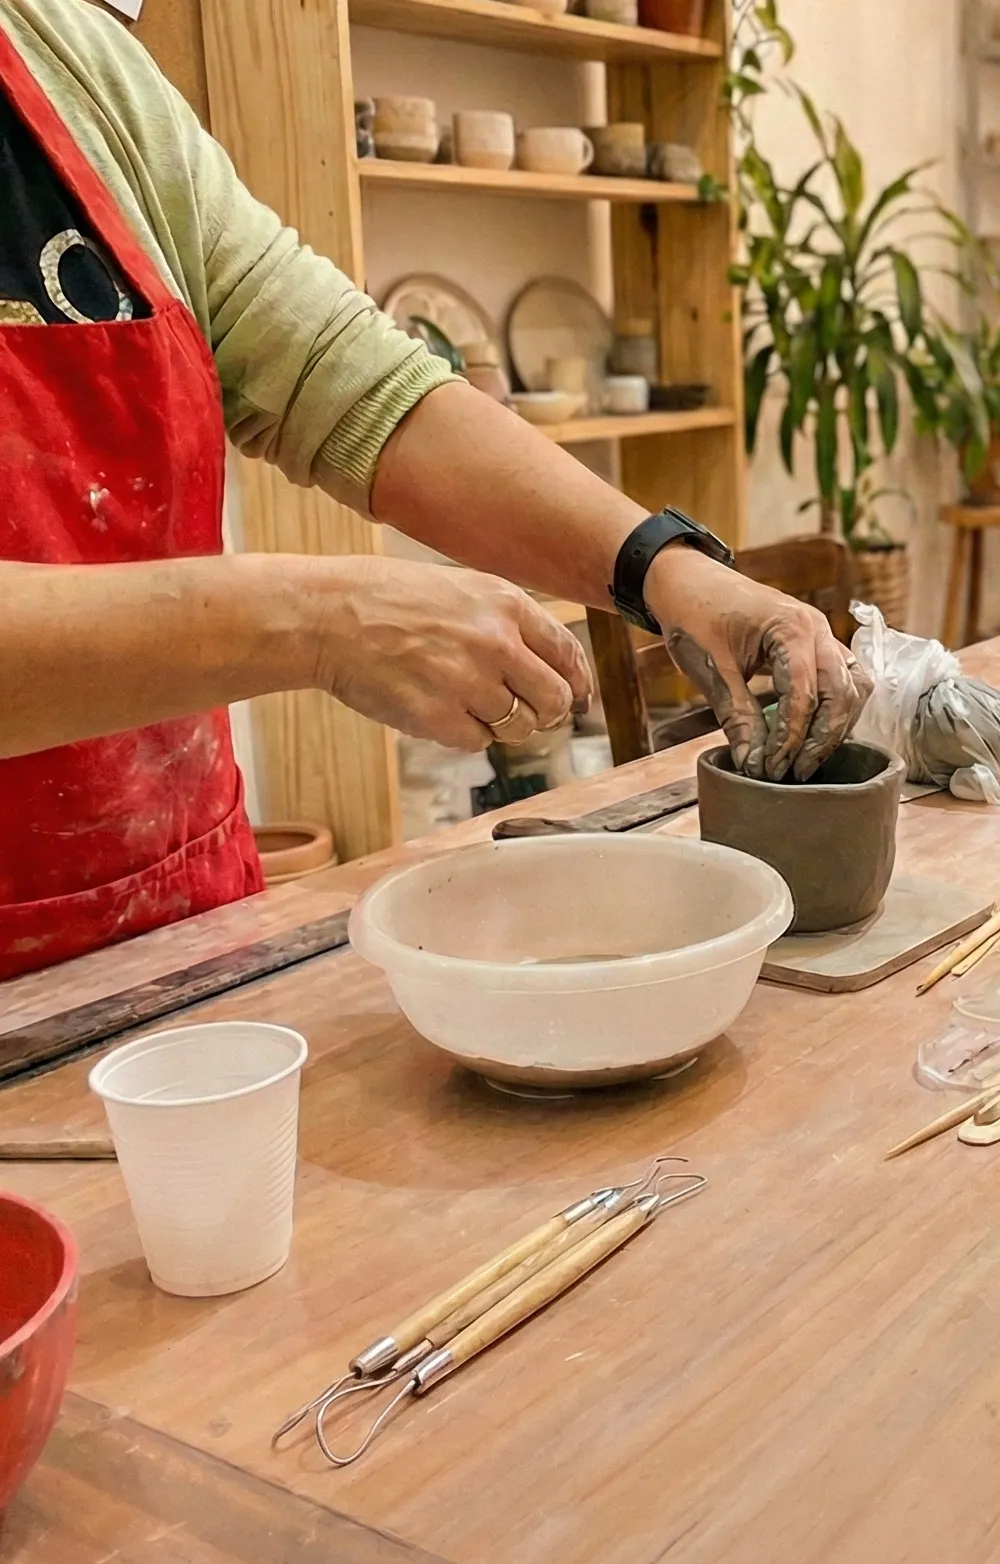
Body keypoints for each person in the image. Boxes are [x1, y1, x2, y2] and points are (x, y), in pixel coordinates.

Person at [0, 0, 866, 981]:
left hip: (173, 922)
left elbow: (351, 380)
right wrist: (320, 622)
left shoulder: (75, 57)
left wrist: (667, 570)